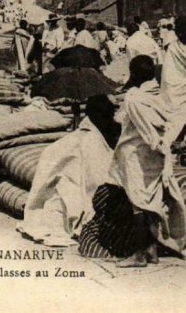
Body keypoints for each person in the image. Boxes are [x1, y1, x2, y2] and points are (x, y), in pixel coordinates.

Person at [107, 55, 186, 267]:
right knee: (151, 201)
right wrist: (164, 146)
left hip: (139, 154)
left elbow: (145, 128)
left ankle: (139, 254)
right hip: (157, 157)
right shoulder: (162, 96)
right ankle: (152, 250)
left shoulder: (134, 97)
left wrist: (156, 143)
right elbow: (170, 122)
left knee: (138, 204)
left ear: (133, 74)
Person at [17, 95, 121, 247]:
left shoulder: (96, 135)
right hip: (76, 191)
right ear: (95, 115)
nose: (110, 120)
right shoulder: (89, 140)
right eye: (106, 115)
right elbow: (95, 180)